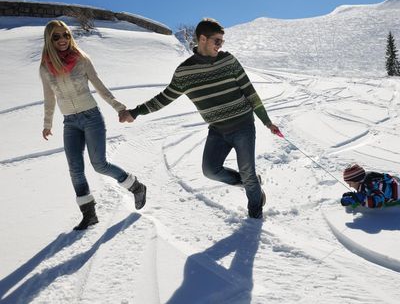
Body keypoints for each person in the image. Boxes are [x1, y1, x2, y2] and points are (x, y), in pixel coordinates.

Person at [119, 18, 279, 219]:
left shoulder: (228, 61)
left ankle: (255, 215)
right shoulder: (185, 72)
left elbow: (250, 93)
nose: (220, 46)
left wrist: (266, 121)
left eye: (222, 42)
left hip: (243, 125)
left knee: (247, 172)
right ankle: (251, 182)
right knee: (210, 170)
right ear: (202, 39)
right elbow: (164, 98)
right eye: (217, 41)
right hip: (218, 130)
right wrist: (135, 112)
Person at [40, 20, 147, 231]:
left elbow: (99, 86)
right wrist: (47, 123)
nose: (62, 40)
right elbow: (48, 97)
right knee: (75, 169)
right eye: (56, 36)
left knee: (99, 164)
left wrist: (119, 107)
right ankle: (89, 215)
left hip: (91, 117)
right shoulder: (45, 67)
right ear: (49, 39)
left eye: (65, 35)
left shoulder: (81, 59)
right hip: (70, 122)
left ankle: (136, 186)